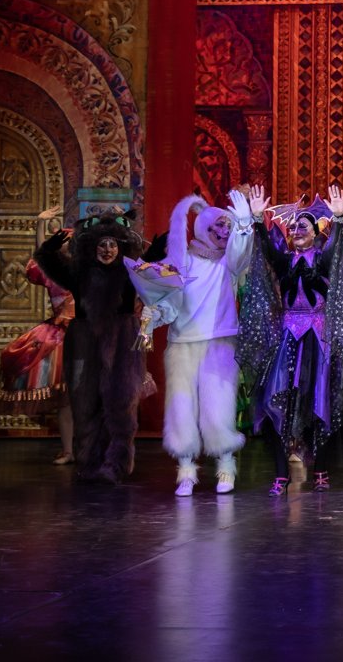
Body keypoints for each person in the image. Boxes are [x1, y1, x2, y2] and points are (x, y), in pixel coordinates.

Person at [125, 191, 254, 496]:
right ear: (201, 229)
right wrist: (154, 314)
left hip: (219, 341)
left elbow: (242, 253)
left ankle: (226, 467)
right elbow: (170, 303)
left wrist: (244, 223)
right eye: (218, 227)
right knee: (181, 407)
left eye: (227, 227)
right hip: (183, 343)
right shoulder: (181, 262)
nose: (223, 232)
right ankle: (185, 470)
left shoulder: (228, 263)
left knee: (219, 407)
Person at [239, 186, 343, 495]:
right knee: (274, 400)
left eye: (303, 226)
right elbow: (267, 250)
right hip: (288, 340)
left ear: (314, 232)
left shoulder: (322, 260)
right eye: (292, 227)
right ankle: (281, 474)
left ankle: (320, 469)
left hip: (317, 341)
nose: (296, 231)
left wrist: (338, 219)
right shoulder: (285, 262)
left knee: (319, 402)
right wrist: (258, 220)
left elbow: (336, 250)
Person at [33, 208, 147, 484]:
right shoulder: (79, 273)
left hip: (122, 345)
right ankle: (89, 460)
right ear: (92, 247)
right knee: (85, 403)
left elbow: (155, 265)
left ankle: (118, 463)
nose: (107, 250)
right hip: (85, 343)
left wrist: (159, 247)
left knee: (121, 402)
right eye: (102, 245)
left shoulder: (130, 273)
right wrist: (49, 246)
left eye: (112, 245)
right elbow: (49, 262)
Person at [0, 245, 75, 464]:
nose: (70, 252)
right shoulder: (53, 276)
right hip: (61, 339)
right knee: (66, 401)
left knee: (94, 398)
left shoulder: (91, 273)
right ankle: (68, 451)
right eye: (65, 248)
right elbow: (39, 262)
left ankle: (94, 451)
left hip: (89, 337)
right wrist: (42, 233)